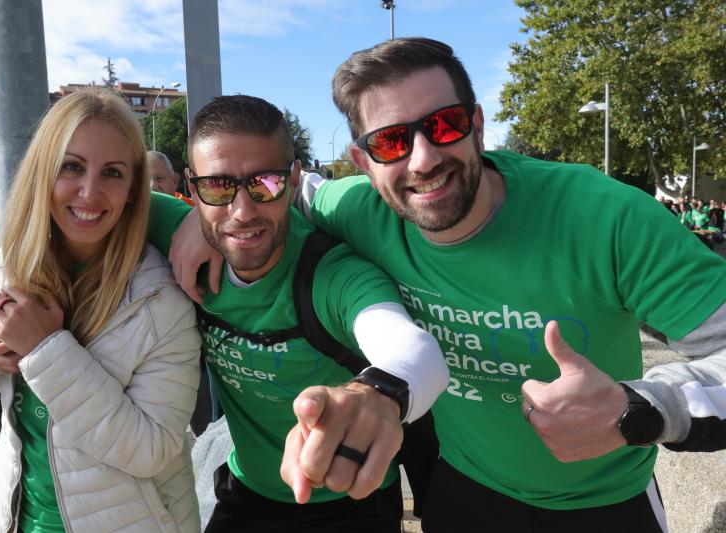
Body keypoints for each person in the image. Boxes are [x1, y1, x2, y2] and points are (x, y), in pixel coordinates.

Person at [169, 37, 726, 532]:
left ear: (477, 125)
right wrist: (203, 217)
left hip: (607, 501)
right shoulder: (357, 208)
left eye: (443, 125)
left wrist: (639, 407)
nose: (424, 157)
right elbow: (278, 193)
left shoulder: (605, 218)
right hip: (465, 493)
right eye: (390, 142)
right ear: (362, 161)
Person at [149, 94, 447, 532]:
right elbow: (80, 202)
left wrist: (377, 395)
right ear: (192, 188)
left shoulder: (331, 273)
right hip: (247, 494)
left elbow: (411, 348)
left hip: (353, 502)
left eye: (265, 183)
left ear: (292, 179)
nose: (242, 210)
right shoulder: (175, 229)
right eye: (218, 186)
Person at [0, 87, 202, 532]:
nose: (89, 192)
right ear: (43, 171)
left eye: (113, 173)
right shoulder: (13, 264)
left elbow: (153, 449)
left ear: (132, 188)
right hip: (17, 520)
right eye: (72, 166)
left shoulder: (160, 298)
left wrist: (45, 349)